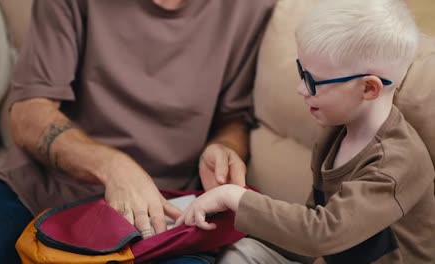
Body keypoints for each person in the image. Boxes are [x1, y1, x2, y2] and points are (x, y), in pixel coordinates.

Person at [0, 0, 276, 263]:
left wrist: (222, 147)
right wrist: (113, 167)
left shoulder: (250, 8)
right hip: (41, 191)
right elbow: (28, 114)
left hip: (165, 213)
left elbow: (234, 118)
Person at [175, 0, 435, 263]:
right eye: (302, 72)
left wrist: (236, 198)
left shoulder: (393, 166)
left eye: (312, 81)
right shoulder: (334, 134)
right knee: (241, 253)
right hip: (325, 255)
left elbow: (322, 233)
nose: (301, 89)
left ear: (368, 88)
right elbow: (310, 227)